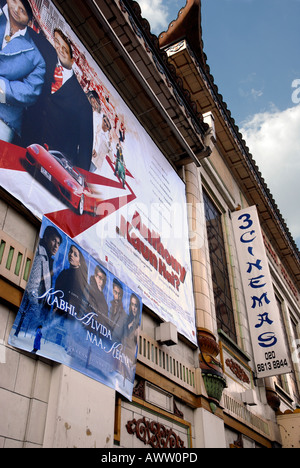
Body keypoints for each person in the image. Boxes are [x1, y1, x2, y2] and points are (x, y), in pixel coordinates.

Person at [22, 28, 93, 171]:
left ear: (72, 61)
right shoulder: (46, 60)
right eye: (57, 44)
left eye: (65, 50)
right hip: (24, 143)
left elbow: (85, 150)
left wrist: (79, 179)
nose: (60, 50)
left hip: (54, 167)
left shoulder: (83, 104)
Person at [0, 0, 46, 143]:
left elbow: (30, 92)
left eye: (23, 10)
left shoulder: (37, 58)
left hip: (4, 119)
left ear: (30, 19)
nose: (16, 9)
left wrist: (1, 88)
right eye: (14, 1)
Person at [14, 225, 62, 336]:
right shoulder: (41, 256)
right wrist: (36, 315)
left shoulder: (49, 259)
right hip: (30, 314)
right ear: (46, 238)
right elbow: (32, 289)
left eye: (58, 243)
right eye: (53, 240)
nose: (56, 246)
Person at [54, 244, 88, 318]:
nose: (71, 255)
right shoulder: (64, 273)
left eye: (75, 254)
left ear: (80, 262)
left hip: (69, 317)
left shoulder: (80, 280)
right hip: (58, 311)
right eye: (70, 251)